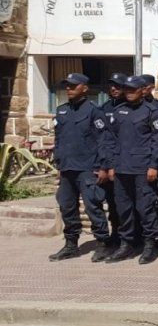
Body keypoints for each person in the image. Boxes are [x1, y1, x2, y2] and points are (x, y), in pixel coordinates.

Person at [48, 73, 116, 262]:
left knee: (93, 206)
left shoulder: (94, 111)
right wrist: (59, 163)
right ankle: (71, 245)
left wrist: (103, 167)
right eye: (67, 86)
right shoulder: (62, 111)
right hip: (67, 168)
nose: (68, 89)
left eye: (73, 86)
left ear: (84, 88)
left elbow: (103, 141)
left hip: (88, 168)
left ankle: (103, 243)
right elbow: (59, 139)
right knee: (66, 206)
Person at [105, 75, 158, 264]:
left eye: (133, 89)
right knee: (123, 209)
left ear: (142, 91)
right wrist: (111, 165)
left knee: (145, 208)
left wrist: (153, 165)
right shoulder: (119, 111)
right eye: (127, 90)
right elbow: (111, 140)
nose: (129, 93)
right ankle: (126, 244)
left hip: (142, 168)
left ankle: (149, 245)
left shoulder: (151, 111)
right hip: (121, 168)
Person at [100, 73, 128, 247]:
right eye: (111, 85)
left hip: (128, 164)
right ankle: (116, 234)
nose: (113, 89)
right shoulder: (104, 108)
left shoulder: (133, 107)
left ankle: (132, 237)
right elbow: (102, 138)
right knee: (112, 202)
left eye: (117, 86)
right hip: (108, 163)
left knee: (130, 204)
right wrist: (105, 165)